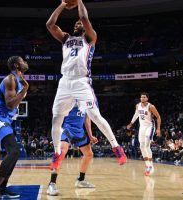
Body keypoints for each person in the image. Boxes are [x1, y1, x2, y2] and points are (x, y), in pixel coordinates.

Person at [46, 0, 127, 171]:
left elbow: (83, 16)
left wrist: (79, 1)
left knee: (95, 115)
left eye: (80, 23)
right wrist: (62, 4)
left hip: (82, 82)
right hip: (65, 82)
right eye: (75, 23)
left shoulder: (90, 38)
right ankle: (56, 153)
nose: (77, 23)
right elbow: (50, 24)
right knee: (56, 119)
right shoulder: (66, 38)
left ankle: (116, 147)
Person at [0, 56, 29, 200]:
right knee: (14, 151)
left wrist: (23, 88)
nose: (25, 62)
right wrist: (25, 90)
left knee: (14, 153)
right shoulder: (10, 80)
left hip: (5, 118)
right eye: (22, 61)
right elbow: (10, 104)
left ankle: (2, 188)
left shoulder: (19, 79)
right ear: (16, 65)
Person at [47, 105, 98, 196]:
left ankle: (80, 180)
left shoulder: (87, 99)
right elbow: (57, 114)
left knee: (89, 154)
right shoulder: (68, 95)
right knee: (61, 152)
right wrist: (56, 133)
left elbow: (87, 118)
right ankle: (51, 184)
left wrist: (90, 135)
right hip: (66, 129)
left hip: (79, 131)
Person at [127, 92, 161, 176]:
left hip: (150, 126)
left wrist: (158, 128)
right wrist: (131, 123)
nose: (142, 98)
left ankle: (151, 166)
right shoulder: (137, 105)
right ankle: (147, 165)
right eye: (141, 97)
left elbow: (158, 117)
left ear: (147, 99)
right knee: (141, 146)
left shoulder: (151, 106)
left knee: (146, 145)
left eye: (144, 97)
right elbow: (136, 114)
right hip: (142, 127)